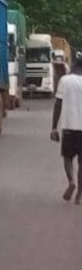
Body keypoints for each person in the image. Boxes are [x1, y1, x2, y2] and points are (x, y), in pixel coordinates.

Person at [51, 55, 82, 204]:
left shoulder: (65, 81)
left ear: (74, 66)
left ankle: (71, 181)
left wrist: (53, 128)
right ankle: (79, 196)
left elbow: (58, 105)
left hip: (69, 128)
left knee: (67, 158)